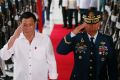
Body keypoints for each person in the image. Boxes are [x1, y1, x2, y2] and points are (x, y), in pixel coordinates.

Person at [57, 9, 118, 80]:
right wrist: (73, 33)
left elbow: (112, 66)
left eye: (94, 23)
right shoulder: (77, 37)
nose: (91, 26)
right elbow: (60, 50)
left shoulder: (107, 40)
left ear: (99, 23)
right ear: (84, 24)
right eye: (88, 23)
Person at [0, 12, 58, 80]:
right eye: (24, 25)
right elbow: (3, 56)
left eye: (30, 25)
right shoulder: (16, 40)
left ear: (35, 24)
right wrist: (14, 36)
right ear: (20, 25)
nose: (27, 28)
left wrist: (53, 77)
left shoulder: (45, 40)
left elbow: (51, 60)